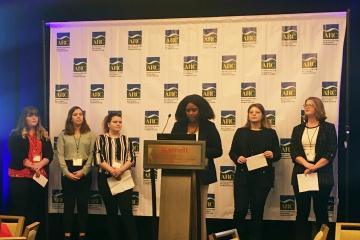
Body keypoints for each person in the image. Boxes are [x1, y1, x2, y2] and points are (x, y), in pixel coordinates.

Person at [171, 94, 223, 240]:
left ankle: (200, 237)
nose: (191, 113)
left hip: (202, 173)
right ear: (184, 111)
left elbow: (218, 150)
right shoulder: (178, 126)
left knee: (199, 210)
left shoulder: (209, 126)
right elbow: (171, 146)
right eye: (188, 110)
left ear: (201, 110)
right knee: (181, 209)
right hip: (180, 175)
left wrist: (198, 150)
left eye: (194, 110)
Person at [229, 103, 281, 240]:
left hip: (262, 179)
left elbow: (278, 154)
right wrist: (237, 157)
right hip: (243, 178)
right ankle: (237, 237)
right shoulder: (241, 132)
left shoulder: (270, 133)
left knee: (257, 212)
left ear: (262, 115)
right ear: (247, 115)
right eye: (251, 112)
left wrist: (272, 154)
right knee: (240, 210)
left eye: (257, 112)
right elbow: (232, 152)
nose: (253, 114)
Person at [290, 97, 337, 240]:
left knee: (321, 211)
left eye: (310, 105)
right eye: (306, 105)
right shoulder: (297, 129)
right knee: (302, 212)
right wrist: (307, 165)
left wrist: (314, 167)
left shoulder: (329, 128)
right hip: (302, 174)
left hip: (322, 175)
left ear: (318, 108)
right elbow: (294, 152)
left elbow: (330, 152)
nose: (307, 107)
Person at [8, 106, 53, 240]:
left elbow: (49, 155)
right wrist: (33, 166)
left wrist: (39, 165)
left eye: (36, 115)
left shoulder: (44, 135)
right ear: (24, 118)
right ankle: (18, 237)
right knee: (20, 209)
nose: (34, 118)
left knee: (35, 210)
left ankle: (33, 237)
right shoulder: (15, 135)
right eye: (30, 115)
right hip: (20, 178)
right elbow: (18, 155)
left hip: (38, 177)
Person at [94, 112, 138, 240]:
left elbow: (132, 158)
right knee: (111, 213)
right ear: (108, 124)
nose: (118, 124)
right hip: (106, 179)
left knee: (127, 212)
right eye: (115, 122)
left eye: (120, 122)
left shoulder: (126, 139)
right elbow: (98, 158)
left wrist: (120, 170)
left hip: (123, 178)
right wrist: (112, 171)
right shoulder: (100, 139)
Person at [56, 106, 96, 240]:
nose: (78, 116)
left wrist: (84, 171)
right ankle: (67, 234)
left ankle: (82, 234)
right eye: (75, 114)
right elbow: (60, 155)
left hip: (84, 171)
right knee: (68, 204)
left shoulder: (90, 134)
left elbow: (92, 155)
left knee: (83, 204)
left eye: (80, 114)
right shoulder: (63, 134)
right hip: (68, 170)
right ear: (70, 117)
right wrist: (66, 172)